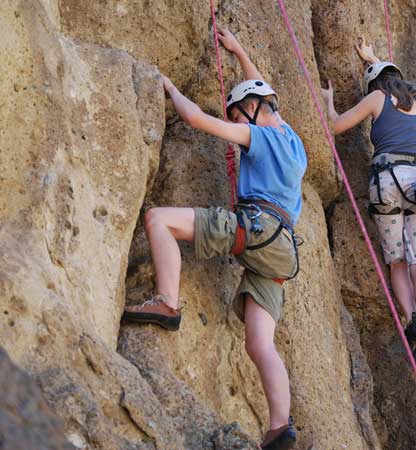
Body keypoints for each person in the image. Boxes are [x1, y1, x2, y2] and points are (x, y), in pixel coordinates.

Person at [121, 27, 305, 449]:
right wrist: (239, 49)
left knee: (158, 220)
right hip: (280, 252)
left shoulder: (259, 135)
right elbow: (264, 93)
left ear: (256, 109)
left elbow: (198, 121)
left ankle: (167, 301)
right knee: (260, 343)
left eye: (240, 114)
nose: (236, 122)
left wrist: (168, 86)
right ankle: (280, 425)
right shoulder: (293, 141)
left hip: (255, 229)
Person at [320, 38, 416, 369]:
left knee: (397, 261)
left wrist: (329, 102)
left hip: (387, 179)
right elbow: (388, 71)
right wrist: (372, 57)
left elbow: (337, 125)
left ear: (375, 83)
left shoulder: (376, 96)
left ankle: (411, 319)